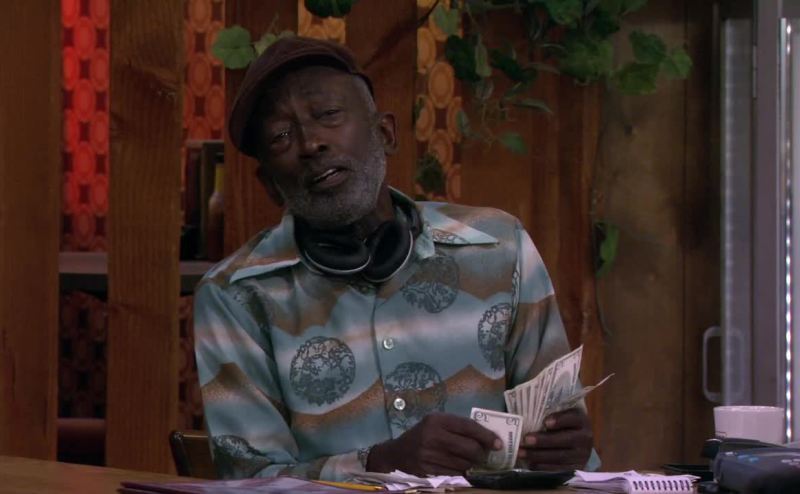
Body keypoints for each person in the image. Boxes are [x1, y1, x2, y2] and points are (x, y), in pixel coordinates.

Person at [193, 36, 597, 481]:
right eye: (281, 137)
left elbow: (562, 435)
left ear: (385, 133)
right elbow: (249, 482)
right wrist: (379, 464)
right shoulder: (235, 297)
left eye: (328, 114)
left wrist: (568, 450)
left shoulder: (500, 248)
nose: (311, 143)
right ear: (270, 185)